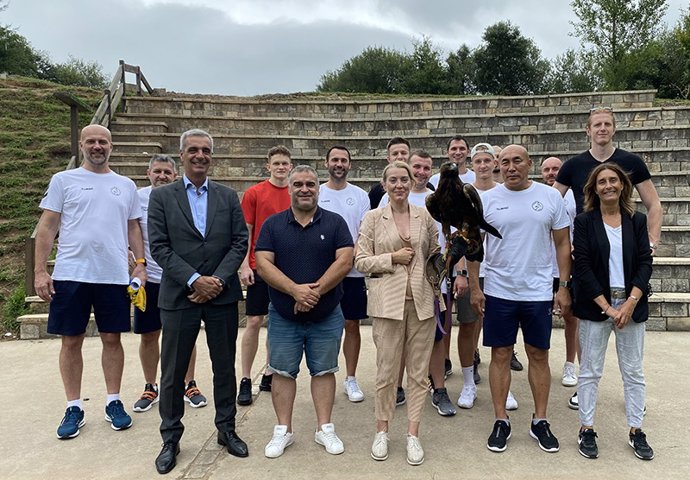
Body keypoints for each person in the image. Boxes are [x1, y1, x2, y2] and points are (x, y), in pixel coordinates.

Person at [35, 124, 146, 440]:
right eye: (91, 141)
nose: (97, 146)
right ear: (82, 145)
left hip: (112, 275)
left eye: (103, 142)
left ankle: (113, 400)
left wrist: (139, 265)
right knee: (71, 340)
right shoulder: (64, 181)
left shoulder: (124, 185)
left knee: (113, 339)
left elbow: (134, 229)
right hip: (71, 274)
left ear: (111, 146)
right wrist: (41, 271)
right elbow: (47, 228)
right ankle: (73, 406)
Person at [148, 129, 249, 475]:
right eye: (193, 150)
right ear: (182, 156)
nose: (200, 155)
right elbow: (159, 246)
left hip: (221, 295)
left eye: (206, 150)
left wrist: (217, 280)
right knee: (174, 371)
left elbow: (239, 242)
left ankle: (226, 429)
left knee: (224, 366)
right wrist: (194, 279)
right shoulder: (162, 197)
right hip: (179, 295)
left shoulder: (227, 195)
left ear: (211, 157)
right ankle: (171, 438)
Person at [469, 145, 572, 454]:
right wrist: (475, 287)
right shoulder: (486, 200)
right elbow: (474, 247)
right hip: (499, 290)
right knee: (500, 354)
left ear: (530, 164)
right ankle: (501, 419)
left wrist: (563, 286)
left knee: (538, 354)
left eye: (517, 161)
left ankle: (540, 420)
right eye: (505, 162)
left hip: (538, 292)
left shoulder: (550, 197)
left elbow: (563, 243)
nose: (511, 167)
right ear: (498, 167)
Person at [255, 165, 354, 459]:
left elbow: (345, 260)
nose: (304, 189)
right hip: (285, 315)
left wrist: (312, 292)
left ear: (318, 188)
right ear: (289, 189)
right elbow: (263, 263)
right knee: (283, 372)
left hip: (326, 315)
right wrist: (294, 291)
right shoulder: (273, 225)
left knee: (324, 370)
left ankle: (324, 427)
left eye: (310, 184)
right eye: (298, 184)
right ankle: (283, 429)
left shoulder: (335, 223)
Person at [356, 161, 441, 466]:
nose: (399, 185)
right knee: (386, 372)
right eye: (393, 180)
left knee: (418, 373)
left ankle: (413, 433)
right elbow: (361, 260)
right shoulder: (373, 218)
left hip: (421, 303)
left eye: (404, 179)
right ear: (385, 184)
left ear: (411, 181)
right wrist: (392, 257)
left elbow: (434, 255)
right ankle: (382, 430)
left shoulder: (425, 215)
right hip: (387, 305)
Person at [571, 163, 654, 461]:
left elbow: (645, 262)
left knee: (633, 372)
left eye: (613, 180)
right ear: (594, 188)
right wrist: (607, 307)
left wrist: (630, 302)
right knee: (590, 371)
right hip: (596, 306)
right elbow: (582, 266)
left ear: (622, 186)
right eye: (602, 181)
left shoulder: (637, 221)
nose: (608, 185)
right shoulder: (584, 222)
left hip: (631, 305)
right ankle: (587, 428)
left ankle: (636, 429)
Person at [132, 154, 207, 413]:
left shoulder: (184, 197)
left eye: (167, 171)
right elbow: (129, 233)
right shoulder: (137, 198)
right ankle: (150, 385)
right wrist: (135, 267)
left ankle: (190, 383)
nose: (162, 176)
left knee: (187, 333)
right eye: (157, 171)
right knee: (149, 335)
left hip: (180, 277)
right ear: (148, 173)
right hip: (150, 278)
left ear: (175, 175)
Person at [457, 143, 518, 412]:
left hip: (502, 274)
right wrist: (461, 273)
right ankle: (469, 381)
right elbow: (461, 238)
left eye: (486, 161)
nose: (482, 166)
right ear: (471, 164)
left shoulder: (506, 193)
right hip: (472, 273)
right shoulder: (464, 195)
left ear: (494, 163)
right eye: (477, 161)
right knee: (469, 326)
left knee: (503, 331)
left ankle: (506, 386)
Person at [553, 107, 661, 253]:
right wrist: (565, 242)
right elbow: (550, 204)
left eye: (607, 124)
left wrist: (652, 241)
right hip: (586, 242)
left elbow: (654, 204)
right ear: (588, 130)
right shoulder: (572, 165)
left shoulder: (633, 162)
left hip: (625, 240)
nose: (602, 129)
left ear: (614, 130)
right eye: (597, 125)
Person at [237, 146, 293, 406]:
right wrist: (244, 266)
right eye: (277, 163)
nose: (281, 167)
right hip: (258, 266)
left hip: (287, 269)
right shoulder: (254, 193)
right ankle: (246, 378)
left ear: (290, 166)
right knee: (254, 321)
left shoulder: (296, 192)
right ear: (268, 166)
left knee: (278, 321)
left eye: (285, 163)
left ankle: (270, 371)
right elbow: (246, 231)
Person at [318, 146, 370, 403]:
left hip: (353, 273)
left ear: (350, 164)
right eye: (335, 159)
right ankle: (325, 374)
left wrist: (347, 260)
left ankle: (351, 378)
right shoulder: (316, 192)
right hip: (323, 273)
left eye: (344, 160)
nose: (339, 164)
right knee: (326, 327)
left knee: (352, 325)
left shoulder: (360, 195)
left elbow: (363, 233)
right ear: (326, 162)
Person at [540, 156, 580, 389]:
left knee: (571, 317)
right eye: (547, 169)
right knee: (541, 318)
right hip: (543, 267)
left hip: (567, 266)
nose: (551, 172)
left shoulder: (574, 196)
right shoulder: (537, 195)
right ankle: (542, 363)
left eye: (556, 169)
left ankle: (569, 364)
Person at [368, 137, 410, 209]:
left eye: (403, 153)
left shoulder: (426, 187)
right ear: (389, 159)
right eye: (395, 154)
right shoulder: (377, 191)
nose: (400, 157)